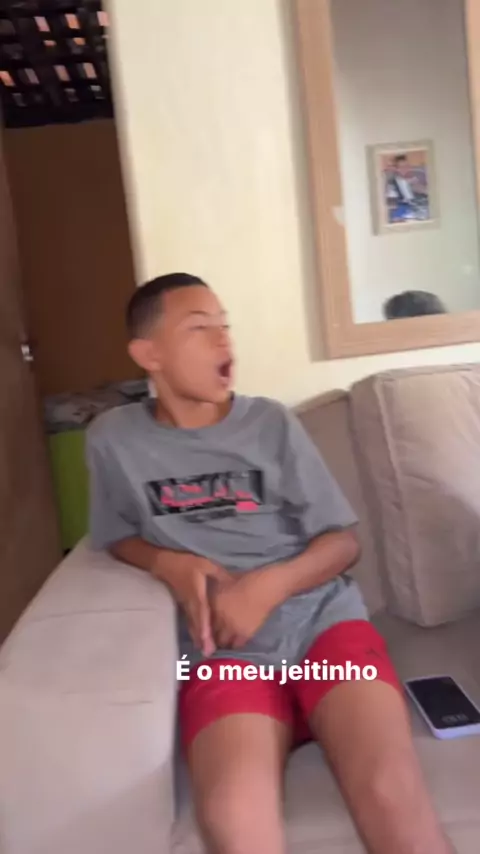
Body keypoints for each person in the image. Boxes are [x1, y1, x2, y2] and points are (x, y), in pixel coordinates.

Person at [86, 273, 454, 854]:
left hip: (323, 627)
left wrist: (266, 588)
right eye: (199, 328)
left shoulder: (270, 423)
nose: (223, 340)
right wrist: (168, 563)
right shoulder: (114, 439)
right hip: (224, 655)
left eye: (225, 325)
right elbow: (115, 535)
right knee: (233, 819)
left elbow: (343, 543)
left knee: (391, 794)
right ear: (148, 355)